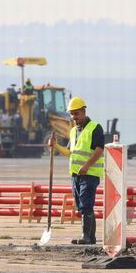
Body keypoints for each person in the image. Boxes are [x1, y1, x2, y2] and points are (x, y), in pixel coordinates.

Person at [48, 96, 104, 244]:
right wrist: (56, 146)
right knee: (82, 205)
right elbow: (69, 152)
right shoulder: (73, 131)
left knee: (86, 204)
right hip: (76, 174)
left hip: (90, 173)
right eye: (72, 114)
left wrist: (86, 166)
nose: (74, 117)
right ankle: (91, 237)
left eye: (77, 113)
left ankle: (86, 237)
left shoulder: (95, 128)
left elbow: (99, 150)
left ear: (84, 111)